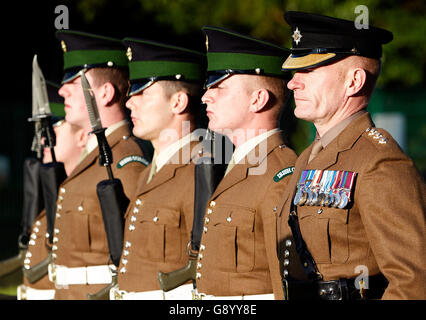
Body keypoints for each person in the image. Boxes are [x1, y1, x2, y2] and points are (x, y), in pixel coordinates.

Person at [276, 11, 426, 300]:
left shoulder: (379, 162)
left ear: (353, 82)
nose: (293, 83)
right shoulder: (307, 157)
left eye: (308, 71)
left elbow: (414, 281)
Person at [191, 26, 297, 300]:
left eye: (219, 87)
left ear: (258, 99)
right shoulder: (237, 165)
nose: (205, 96)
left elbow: (287, 284)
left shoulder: (280, 174)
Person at [48, 30, 150, 300]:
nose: (62, 90)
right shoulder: (93, 156)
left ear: (105, 93)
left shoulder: (124, 161)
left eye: (75, 81)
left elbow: (135, 255)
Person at [109, 37, 205, 300]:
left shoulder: (200, 169)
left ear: (178, 103)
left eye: (142, 92)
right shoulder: (150, 172)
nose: (129, 102)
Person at [18, 103, 87, 300]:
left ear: (82, 136)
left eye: (53, 129)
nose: (42, 140)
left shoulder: (82, 196)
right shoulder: (59, 195)